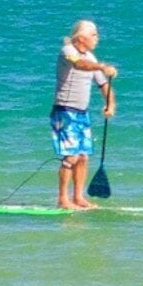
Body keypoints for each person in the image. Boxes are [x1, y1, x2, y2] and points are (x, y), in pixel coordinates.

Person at [50, 20, 117, 210]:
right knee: (70, 157)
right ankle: (63, 199)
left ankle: (78, 197)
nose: (97, 38)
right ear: (81, 37)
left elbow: (103, 85)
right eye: (94, 34)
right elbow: (79, 65)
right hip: (64, 112)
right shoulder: (68, 51)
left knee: (83, 157)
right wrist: (102, 67)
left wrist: (110, 104)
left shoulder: (92, 58)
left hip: (82, 114)